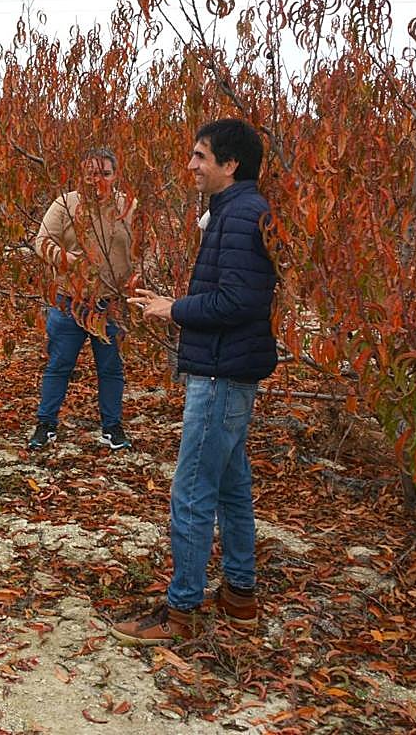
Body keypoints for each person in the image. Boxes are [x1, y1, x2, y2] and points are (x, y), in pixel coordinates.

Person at [112, 118, 277, 645]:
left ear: (230, 165)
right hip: (224, 367)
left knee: (191, 491)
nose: (191, 166)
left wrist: (173, 308)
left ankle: (179, 612)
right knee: (231, 486)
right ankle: (240, 597)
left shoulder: (242, 214)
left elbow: (239, 301)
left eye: (200, 156)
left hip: (221, 373)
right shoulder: (233, 211)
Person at [28, 148, 137, 451]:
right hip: (69, 302)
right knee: (59, 365)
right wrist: (65, 259)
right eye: (91, 172)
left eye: (105, 173)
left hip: (110, 304)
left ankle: (112, 427)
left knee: (111, 368)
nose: (97, 179)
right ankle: (45, 424)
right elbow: (41, 241)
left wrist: (137, 280)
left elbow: (145, 249)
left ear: (115, 175)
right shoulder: (65, 204)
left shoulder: (128, 207)